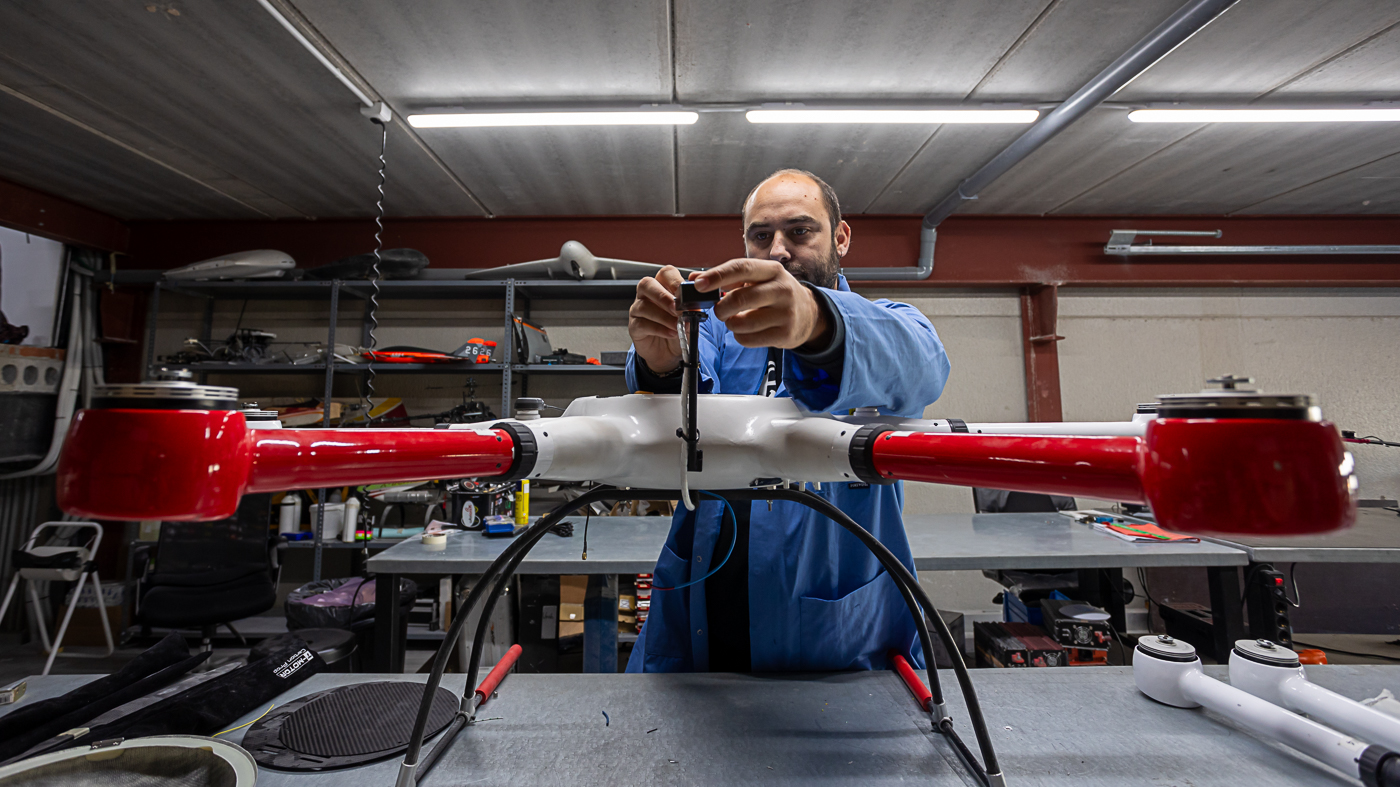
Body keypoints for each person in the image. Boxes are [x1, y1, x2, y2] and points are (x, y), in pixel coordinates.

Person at [624, 169, 951, 673]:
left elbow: (924, 366)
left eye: (800, 231)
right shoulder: (711, 326)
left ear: (840, 237)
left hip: (836, 640)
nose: (777, 251)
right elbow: (670, 404)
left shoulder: (887, 322)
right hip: (702, 623)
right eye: (761, 236)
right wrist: (661, 358)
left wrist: (819, 323)